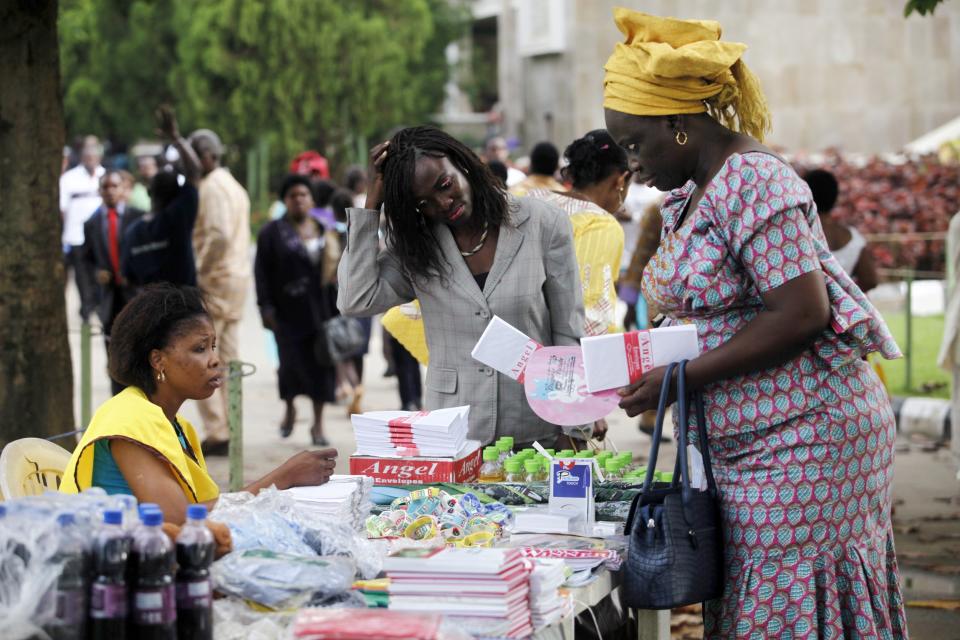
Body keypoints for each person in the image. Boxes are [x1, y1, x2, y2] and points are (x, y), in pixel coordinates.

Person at [603, 9, 906, 638]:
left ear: (679, 124)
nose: (631, 166)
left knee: (785, 608)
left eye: (635, 145)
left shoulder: (754, 181)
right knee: (753, 607)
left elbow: (801, 311)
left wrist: (678, 377)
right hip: (743, 446)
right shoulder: (694, 192)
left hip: (806, 441)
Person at [337, 126, 587, 448]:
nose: (442, 203)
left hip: (535, 430)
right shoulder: (417, 249)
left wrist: (573, 428)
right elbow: (355, 300)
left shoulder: (543, 223)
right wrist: (371, 207)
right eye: (423, 202)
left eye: (445, 184)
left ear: (463, 163)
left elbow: (567, 331)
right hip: (452, 436)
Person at [60, 284, 338, 525]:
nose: (214, 360)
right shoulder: (129, 418)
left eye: (214, 346)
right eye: (200, 348)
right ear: (158, 361)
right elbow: (179, 519)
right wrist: (283, 477)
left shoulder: (179, 427)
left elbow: (209, 509)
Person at [255, 175, 340, 445]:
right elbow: (261, 274)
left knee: (322, 369)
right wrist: (265, 307)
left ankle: (318, 425)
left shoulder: (324, 229)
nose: (299, 199)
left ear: (312, 199)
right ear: (285, 201)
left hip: (321, 312)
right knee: (289, 367)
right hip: (286, 313)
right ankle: (290, 408)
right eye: (293, 195)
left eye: (303, 194)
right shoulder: (272, 233)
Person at [189, 126, 252, 456]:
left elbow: (220, 235)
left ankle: (217, 430)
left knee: (203, 355)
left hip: (216, 279)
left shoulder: (212, 187)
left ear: (206, 156)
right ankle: (231, 425)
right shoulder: (233, 185)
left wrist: (199, 269)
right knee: (228, 356)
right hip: (237, 278)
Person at [527, 130, 627, 337]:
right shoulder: (600, 224)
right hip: (559, 355)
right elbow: (591, 316)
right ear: (620, 180)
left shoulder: (532, 199)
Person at [82, 171, 146, 394]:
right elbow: (86, 260)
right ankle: (118, 396)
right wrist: (98, 274)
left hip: (135, 293)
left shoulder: (138, 217)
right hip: (109, 298)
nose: (110, 191)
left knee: (139, 346)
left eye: (114, 186)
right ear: (100, 191)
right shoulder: (92, 223)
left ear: (122, 189)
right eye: (105, 187)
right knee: (113, 349)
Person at [123, 107, 201, 289]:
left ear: (149, 193)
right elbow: (195, 172)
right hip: (185, 308)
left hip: (151, 310)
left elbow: (129, 277)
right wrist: (176, 138)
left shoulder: (132, 233)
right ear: (178, 197)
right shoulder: (178, 217)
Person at [804, 168, 879, 292]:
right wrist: (843, 296)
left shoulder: (798, 233)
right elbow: (870, 280)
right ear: (835, 197)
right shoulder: (853, 237)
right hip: (842, 308)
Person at [61, 136, 105, 321]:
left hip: (99, 238)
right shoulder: (69, 179)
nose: (91, 160)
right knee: (82, 276)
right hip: (76, 236)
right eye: (88, 156)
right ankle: (86, 309)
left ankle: (97, 306)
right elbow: (62, 209)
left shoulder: (105, 175)